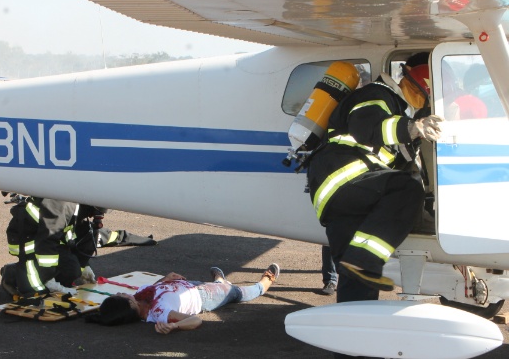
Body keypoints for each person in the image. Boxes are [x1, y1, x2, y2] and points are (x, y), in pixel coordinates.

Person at [306, 58, 442, 302]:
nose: (423, 102)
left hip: (343, 193)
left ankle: (352, 328)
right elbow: (366, 127)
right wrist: (412, 128)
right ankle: (363, 261)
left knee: (357, 279)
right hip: (344, 178)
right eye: (423, 95)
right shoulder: (378, 94)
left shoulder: (400, 110)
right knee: (408, 188)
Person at [85, 263, 280, 333]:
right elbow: (196, 320)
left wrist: (165, 279)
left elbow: (155, 288)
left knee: (223, 287)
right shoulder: (160, 315)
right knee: (238, 293)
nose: (121, 292)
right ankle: (263, 284)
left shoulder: (140, 296)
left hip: (190, 285)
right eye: (121, 295)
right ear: (129, 303)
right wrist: (175, 326)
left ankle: (221, 281)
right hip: (203, 296)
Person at [0, 194, 106, 297]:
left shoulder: (79, 206)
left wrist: (85, 266)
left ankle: (39, 275)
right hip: (28, 240)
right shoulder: (62, 205)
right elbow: (47, 240)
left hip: (46, 240)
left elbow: (81, 236)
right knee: (37, 294)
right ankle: (12, 273)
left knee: (72, 271)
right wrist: (47, 278)